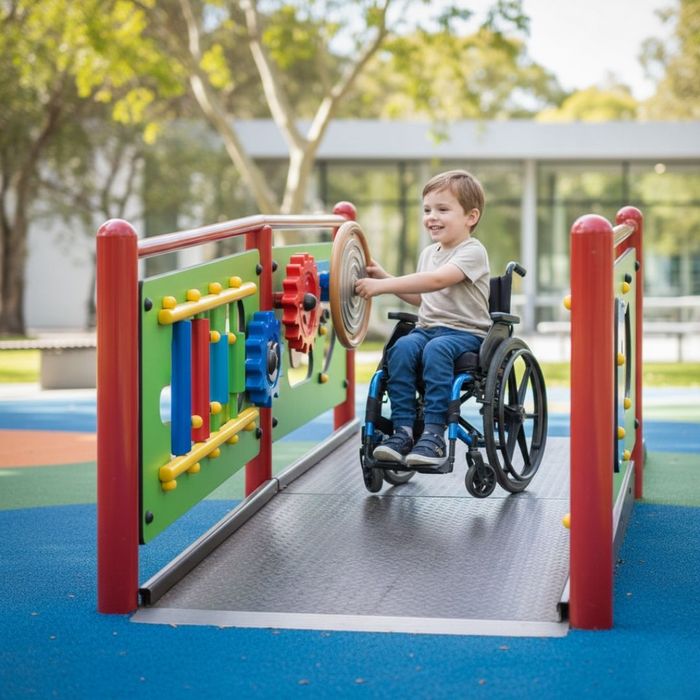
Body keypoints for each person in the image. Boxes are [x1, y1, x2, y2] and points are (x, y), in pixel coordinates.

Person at [354, 169, 491, 468]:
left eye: (443, 209)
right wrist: (386, 277)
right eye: (427, 209)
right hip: (428, 328)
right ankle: (402, 430)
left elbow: (436, 281)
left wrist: (382, 287)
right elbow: (422, 297)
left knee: (435, 350)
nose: (432, 216)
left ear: (471, 216)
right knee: (400, 349)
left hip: (465, 333)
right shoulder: (429, 253)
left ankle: (433, 433)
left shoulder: (472, 251)